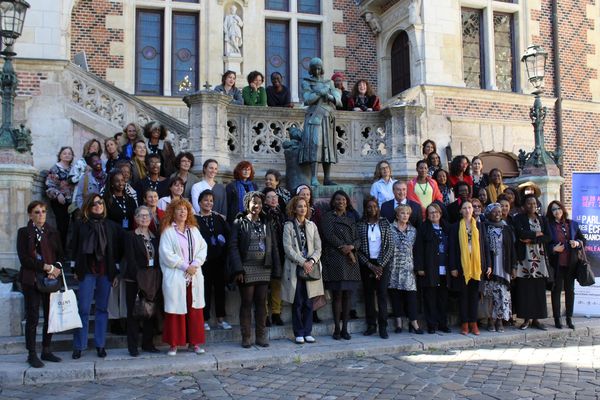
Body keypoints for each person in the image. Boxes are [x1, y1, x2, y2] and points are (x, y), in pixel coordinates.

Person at [71, 194, 122, 359]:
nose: (98, 206)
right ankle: (79, 345)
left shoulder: (111, 226)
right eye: (94, 204)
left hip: (105, 271)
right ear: (88, 207)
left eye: (100, 202)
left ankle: (100, 345)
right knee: (83, 309)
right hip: (86, 270)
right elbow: (73, 246)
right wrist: (74, 269)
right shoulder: (80, 225)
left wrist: (115, 272)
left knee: (101, 309)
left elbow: (116, 251)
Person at [228, 191, 281, 348]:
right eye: (253, 202)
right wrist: (238, 269)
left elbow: (274, 247)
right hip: (246, 268)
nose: (256, 205)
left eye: (259, 202)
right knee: (246, 301)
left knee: (261, 302)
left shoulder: (267, 223)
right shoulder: (239, 223)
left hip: (264, 268)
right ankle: (246, 336)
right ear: (247, 204)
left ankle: (261, 335)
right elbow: (233, 246)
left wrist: (276, 269)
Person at [17, 201, 64, 368]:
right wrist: (45, 266)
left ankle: (46, 349)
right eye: (37, 212)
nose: (41, 215)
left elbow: (60, 254)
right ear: (30, 215)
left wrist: (55, 268)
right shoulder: (24, 233)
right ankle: (31, 353)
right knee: (33, 317)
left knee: (50, 316)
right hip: (31, 279)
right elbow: (24, 259)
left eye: (43, 211)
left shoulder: (52, 232)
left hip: (50, 279)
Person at [159, 199, 207, 356]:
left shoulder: (193, 230)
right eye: (179, 210)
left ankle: (195, 343)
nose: (182, 212)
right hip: (176, 276)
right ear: (173, 212)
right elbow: (167, 255)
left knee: (194, 311)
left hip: (194, 275)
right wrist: (186, 266)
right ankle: (174, 344)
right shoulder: (168, 232)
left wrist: (195, 264)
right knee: (175, 310)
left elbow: (203, 248)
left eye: (185, 210)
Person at [281, 196, 324, 344]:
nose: (303, 209)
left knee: (308, 302)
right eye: (299, 206)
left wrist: (311, 261)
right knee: (297, 301)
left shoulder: (312, 225)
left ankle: (308, 331)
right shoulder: (288, 226)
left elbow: (318, 247)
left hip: (310, 268)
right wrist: (302, 262)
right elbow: (287, 248)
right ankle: (298, 332)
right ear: (294, 208)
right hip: (296, 268)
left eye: (305, 206)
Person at [320, 190, 361, 340]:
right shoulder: (327, 217)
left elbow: (357, 239)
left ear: (347, 202)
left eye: (343, 199)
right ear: (333, 202)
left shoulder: (350, 219)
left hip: (351, 263)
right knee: (337, 296)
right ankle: (337, 328)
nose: (341, 202)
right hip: (335, 260)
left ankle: (345, 329)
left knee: (347, 297)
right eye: (338, 199)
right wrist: (347, 250)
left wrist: (351, 248)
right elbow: (329, 236)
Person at [122, 206, 161, 356]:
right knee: (134, 312)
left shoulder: (155, 237)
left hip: (152, 278)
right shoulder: (130, 236)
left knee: (150, 311)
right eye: (141, 216)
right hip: (135, 279)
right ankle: (133, 347)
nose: (144, 218)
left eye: (147, 216)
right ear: (136, 218)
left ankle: (148, 344)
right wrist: (139, 278)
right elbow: (130, 259)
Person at [448, 200, 490, 336]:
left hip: (477, 267)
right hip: (462, 267)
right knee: (463, 296)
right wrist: (453, 266)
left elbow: (485, 247)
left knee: (474, 296)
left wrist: (488, 264)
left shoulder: (479, 226)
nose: (467, 210)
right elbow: (452, 248)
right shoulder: (455, 227)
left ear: (473, 210)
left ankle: (474, 323)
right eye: (464, 208)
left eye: (470, 207)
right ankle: (465, 323)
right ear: (461, 211)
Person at [298, 58, 342, 186]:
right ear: (311, 70)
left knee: (328, 146)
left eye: (319, 68)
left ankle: (327, 178)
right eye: (314, 68)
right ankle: (314, 178)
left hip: (327, 117)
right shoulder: (306, 82)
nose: (317, 71)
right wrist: (320, 93)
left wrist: (329, 96)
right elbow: (307, 99)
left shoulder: (329, 82)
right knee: (315, 145)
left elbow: (338, 100)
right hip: (314, 117)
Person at [513, 194, 552, 330]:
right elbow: (520, 234)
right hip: (525, 259)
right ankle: (526, 319)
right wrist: (536, 234)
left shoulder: (542, 219)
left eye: (534, 203)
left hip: (539, 258)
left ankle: (536, 319)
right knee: (525, 289)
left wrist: (532, 239)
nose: (532, 206)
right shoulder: (519, 218)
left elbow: (548, 237)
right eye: (529, 203)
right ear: (524, 206)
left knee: (538, 289)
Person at [357, 196, 393, 338]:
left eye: (375, 206)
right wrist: (370, 265)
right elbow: (358, 248)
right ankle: (371, 325)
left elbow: (390, 246)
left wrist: (380, 265)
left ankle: (383, 326)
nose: (372, 209)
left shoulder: (384, 223)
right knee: (368, 295)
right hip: (367, 264)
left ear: (378, 207)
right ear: (365, 208)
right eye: (369, 207)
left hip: (382, 263)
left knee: (382, 295)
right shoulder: (360, 224)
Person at [195, 190, 232, 330]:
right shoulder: (194, 219)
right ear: (199, 202)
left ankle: (221, 319)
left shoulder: (218, 218)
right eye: (206, 200)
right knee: (204, 290)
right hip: (203, 262)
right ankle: (204, 319)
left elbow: (228, 235)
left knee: (220, 290)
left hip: (219, 260)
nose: (208, 203)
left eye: (211, 201)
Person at [547, 200, 586, 330]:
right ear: (550, 213)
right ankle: (557, 319)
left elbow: (583, 240)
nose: (556, 211)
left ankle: (569, 318)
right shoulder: (549, 225)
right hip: (557, 265)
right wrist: (553, 249)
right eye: (553, 209)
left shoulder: (572, 224)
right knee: (556, 291)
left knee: (570, 291)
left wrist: (577, 243)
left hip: (571, 264)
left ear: (562, 209)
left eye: (558, 208)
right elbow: (545, 244)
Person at [414, 203, 451, 334]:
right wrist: (420, 267)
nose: (434, 214)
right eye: (431, 213)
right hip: (430, 269)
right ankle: (431, 324)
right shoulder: (423, 228)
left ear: (440, 213)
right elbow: (418, 249)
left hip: (445, 269)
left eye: (436, 212)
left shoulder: (447, 227)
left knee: (443, 299)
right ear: (427, 215)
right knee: (430, 298)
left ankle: (443, 323)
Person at [481, 203, 516, 333]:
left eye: (500, 212)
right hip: (491, 265)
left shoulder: (507, 229)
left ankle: (500, 319)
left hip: (504, 266)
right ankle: (490, 319)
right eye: (494, 212)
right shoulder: (484, 227)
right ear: (489, 214)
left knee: (502, 294)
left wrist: (513, 267)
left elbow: (512, 249)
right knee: (490, 294)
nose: (498, 214)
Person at [388, 204, 423, 334]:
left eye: (407, 214)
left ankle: (413, 322)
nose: (405, 216)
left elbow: (416, 249)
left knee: (411, 296)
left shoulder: (413, 230)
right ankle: (398, 323)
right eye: (402, 213)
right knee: (395, 295)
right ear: (397, 215)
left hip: (408, 268)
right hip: (393, 267)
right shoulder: (389, 228)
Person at [263, 188, 286, 326]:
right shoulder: (263, 214)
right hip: (267, 252)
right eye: (270, 197)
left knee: (277, 283)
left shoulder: (281, 214)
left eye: (275, 197)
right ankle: (265, 314)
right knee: (265, 285)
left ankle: (276, 313)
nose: (273, 199)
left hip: (280, 252)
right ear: (265, 200)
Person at [45, 146, 75, 248]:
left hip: (72, 202)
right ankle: (60, 252)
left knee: (71, 227)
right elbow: (49, 185)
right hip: (59, 201)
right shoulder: (55, 168)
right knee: (62, 226)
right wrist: (58, 194)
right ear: (60, 155)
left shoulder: (73, 169)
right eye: (64, 153)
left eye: (69, 154)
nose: (67, 155)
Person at [69, 139, 103, 209]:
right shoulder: (80, 162)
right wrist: (85, 173)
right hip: (80, 200)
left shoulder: (101, 164)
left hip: (96, 202)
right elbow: (71, 180)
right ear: (88, 147)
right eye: (93, 146)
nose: (95, 149)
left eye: (97, 148)